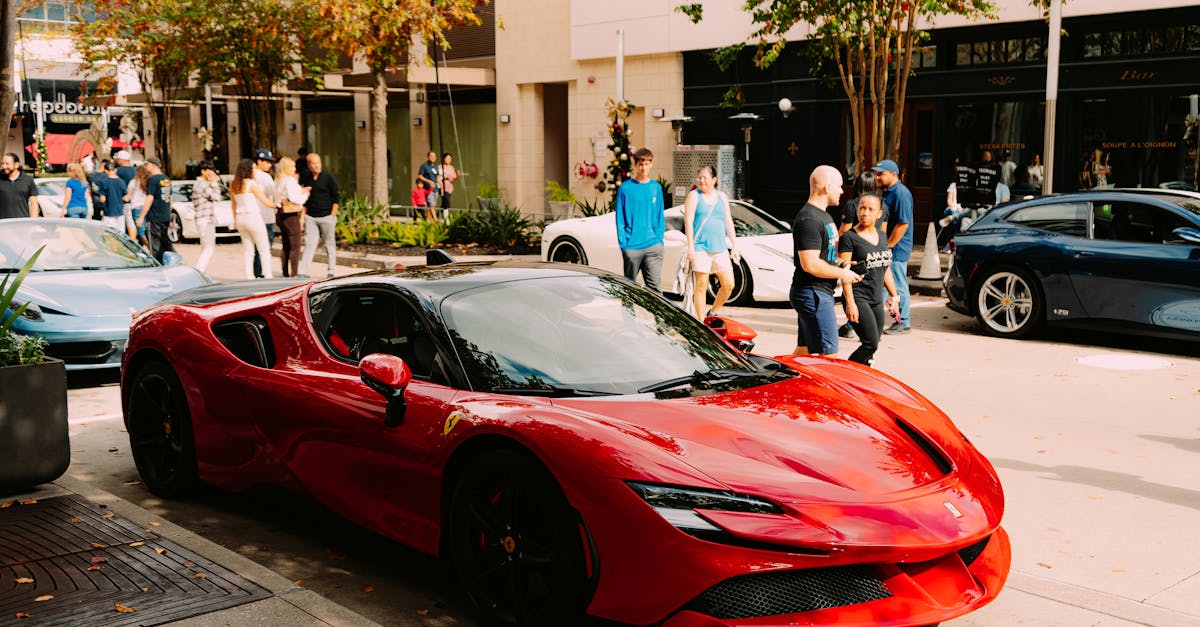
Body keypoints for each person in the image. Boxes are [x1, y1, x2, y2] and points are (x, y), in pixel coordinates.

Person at [790, 165, 862, 356]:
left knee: (803, 352)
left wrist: (840, 263)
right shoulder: (809, 219)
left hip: (816, 293)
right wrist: (843, 274)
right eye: (839, 186)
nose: (841, 191)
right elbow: (810, 264)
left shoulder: (824, 216)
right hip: (813, 293)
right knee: (828, 357)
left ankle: (780, 381)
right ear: (827, 187)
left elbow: (823, 256)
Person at [837, 193, 900, 367]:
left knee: (874, 343)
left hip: (875, 297)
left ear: (879, 214)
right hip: (858, 296)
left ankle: (862, 375)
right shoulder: (849, 238)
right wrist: (850, 302)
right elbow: (844, 272)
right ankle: (847, 374)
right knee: (869, 342)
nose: (865, 212)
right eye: (862, 208)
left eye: (870, 209)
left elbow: (885, 267)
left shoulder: (882, 236)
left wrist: (894, 296)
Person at [683, 166, 740, 319]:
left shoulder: (722, 197)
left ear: (714, 180)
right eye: (699, 177)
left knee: (729, 284)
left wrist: (734, 246)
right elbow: (688, 221)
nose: (701, 181)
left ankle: (713, 311)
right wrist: (690, 247)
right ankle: (701, 322)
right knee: (701, 286)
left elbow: (728, 221)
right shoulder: (694, 196)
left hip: (720, 247)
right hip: (700, 247)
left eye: (705, 178)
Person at [615, 148, 666, 292]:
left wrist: (659, 240)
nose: (644, 168)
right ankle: (627, 316)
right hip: (632, 247)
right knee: (629, 291)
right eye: (641, 164)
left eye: (647, 164)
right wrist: (625, 246)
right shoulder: (625, 188)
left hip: (654, 246)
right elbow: (620, 219)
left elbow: (659, 216)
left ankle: (655, 316)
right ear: (635, 165)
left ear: (651, 164)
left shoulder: (656, 188)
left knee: (656, 292)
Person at [873, 159, 913, 335]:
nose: (877, 176)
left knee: (897, 282)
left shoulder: (901, 193)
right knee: (882, 283)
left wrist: (888, 245)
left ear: (893, 174)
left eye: (881, 173)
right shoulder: (887, 192)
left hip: (896, 248)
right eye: (876, 173)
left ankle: (903, 321)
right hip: (888, 247)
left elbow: (903, 224)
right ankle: (873, 319)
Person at [230, 158, 274, 280]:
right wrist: (278, 205)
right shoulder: (251, 184)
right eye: (253, 168)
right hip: (253, 217)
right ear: (248, 170)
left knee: (248, 250)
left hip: (240, 218)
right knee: (264, 249)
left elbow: (233, 205)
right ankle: (268, 276)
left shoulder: (234, 184)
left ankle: (249, 276)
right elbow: (264, 201)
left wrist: (235, 221)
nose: (254, 171)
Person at [299, 152, 340, 278]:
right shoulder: (306, 178)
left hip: (327, 216)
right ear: (309, 165)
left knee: (329, 244)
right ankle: (303, 272)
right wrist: (302, 217)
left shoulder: (328, 177)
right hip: (311, 217)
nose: (316, 165)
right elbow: (304, 199)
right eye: (313, 163)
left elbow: (336, 197)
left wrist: (332, 216)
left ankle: (331, 270)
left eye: (318, 162)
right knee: (310, 244)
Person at [274, 157, 309, 277]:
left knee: (285, 244)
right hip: (290, 215)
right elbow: (295, 198)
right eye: (292, 166)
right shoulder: (289, 180)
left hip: (280, 213)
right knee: (295, 245)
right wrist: (305, 195)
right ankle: (294, 274)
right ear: (286, 168)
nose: (294, 169)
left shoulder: (278, 180)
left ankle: (285, 271)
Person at [136, 157, 175, 262]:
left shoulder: (153, 180)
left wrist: (141, 217)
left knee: (154, 244)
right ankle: (172, 260)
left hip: (154, 217)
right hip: (165, 216)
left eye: (147, 165)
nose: (146, 168)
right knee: (165, 241)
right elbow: (170, 198)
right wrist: (168, 211)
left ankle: (156, 264)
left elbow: (150, 198)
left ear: (153, 165)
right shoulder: (166, 179)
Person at [251, 149, 279, 278]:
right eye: (267, 162)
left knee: (255, 248)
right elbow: (275, 193)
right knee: (265, 248)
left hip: (253, 216)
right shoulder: (265, 177)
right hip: (266, 216)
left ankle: (256, 273)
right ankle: (263, 274)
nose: (270, 165)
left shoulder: (248, 175)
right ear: (259, 161)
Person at [191, 161, 222, 272]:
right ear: (203, 171)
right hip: (205, 219)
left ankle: (199, 271)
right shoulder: (202, 184)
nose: (212, 173)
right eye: (209, 170)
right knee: (209, 248)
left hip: (203, 219)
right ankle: (198, 271)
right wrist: (214, 182)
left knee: (205, 248)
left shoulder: (199, 183)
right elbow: (216, 197)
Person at [0, 153, 40, 219]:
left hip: (22, 224)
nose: (4, 166)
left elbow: (34, 204)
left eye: (7, 164)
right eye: (2, 163)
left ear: (16, 165)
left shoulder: (28, 180)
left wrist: (33, 223)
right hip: (3, 224)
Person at [97, 161, 129, 231]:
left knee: (109, 232)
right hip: (120, 211)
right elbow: (126, 198)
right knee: (120, 233)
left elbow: (103, 199)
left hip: (109, 211)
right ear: (115, 170)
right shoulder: (122, 182)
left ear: (105, 171)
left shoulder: (103, 182)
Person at [126, 164, 151, 247]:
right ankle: (142, 247)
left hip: (136, 207)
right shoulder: (148, 182)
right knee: (146, 229)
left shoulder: (133, 182)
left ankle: (150, 248)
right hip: (146, 207)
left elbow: (128, 197)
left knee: (140, 231)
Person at [440, 152, 458, 217]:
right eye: (447, 158)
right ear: (443, 159)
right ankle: (447, 217)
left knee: (444, 202)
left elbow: (454, 177)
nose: (449, 160)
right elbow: (440, 176)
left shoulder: (451, 167)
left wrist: (458, 174)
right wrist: (447, 177)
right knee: (447, 201)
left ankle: (437, 215)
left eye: (450, 158)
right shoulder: (440, 166)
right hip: (442, 187)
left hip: (449, 187)